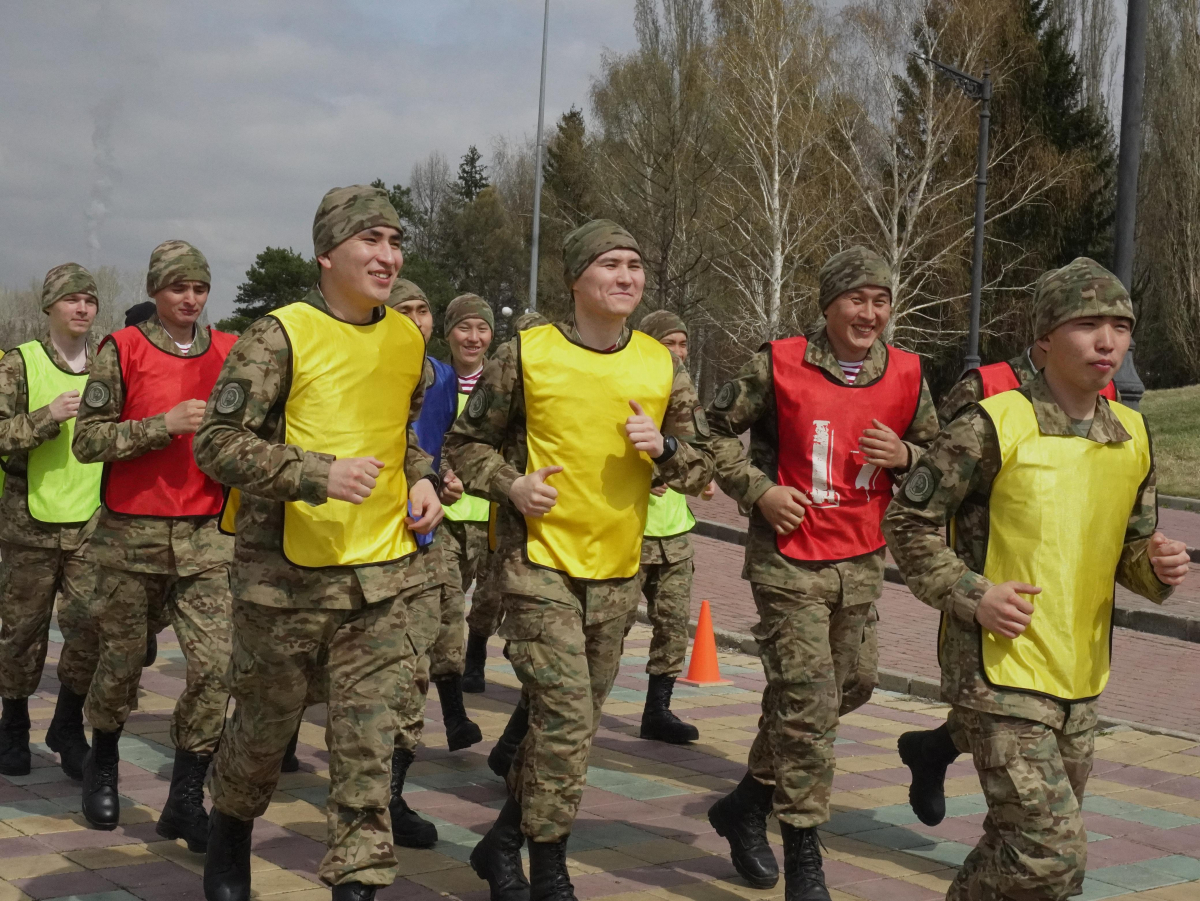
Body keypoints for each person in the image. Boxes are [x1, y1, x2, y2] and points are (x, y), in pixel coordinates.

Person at [883, 257, 1190, 901]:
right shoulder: (992, 425)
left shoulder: (1129, 433)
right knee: (1051, 856)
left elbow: (1128, 548)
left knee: (1021, 852)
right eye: (1086, 325)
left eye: (1120, 326)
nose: (1107, 342)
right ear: (1045, 339)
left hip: (1079, 676)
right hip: (997, 675)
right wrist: (973, 593)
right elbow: (908, 520)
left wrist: (1156, 568)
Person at [445, 220, 715, 901]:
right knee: (564, 718)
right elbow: (464, 442)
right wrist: (512, 484)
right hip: (539, 567)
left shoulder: (661, 363)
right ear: (576, 279)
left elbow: (703, 460)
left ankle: (500, 842)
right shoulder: (525, 356)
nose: (627, 276)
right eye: (610, 265)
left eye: (634, 264)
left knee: (568, 725)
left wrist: (667, 450)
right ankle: (550, 868)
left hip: (618, 571)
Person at [195, 185, 443, 901]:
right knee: (265, 732)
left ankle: (358, 881)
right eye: (371, 240)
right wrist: (315, 472)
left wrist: (423, 478)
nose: (388, 256)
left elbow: (402, 433)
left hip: (383, 577)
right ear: (327, 253)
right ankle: (230, 830)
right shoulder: (278, 335)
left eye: (395, 242)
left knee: (368, 744)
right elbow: (216, 444)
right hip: (284, 584)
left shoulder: (405, 336)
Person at [704, 247, 939, 901]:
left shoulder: (909, 373)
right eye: (856, 299)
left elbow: (943, 461)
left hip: (860, 563)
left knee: (847, 688)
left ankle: (747, 801)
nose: (869, 313)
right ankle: (805, 859)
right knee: (807, 711)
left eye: (880, 300)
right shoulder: (777, 363)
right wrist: (757, 490)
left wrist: (909, 452)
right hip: (788, 561)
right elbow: (711, 431)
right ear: (828, 305)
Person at [73, 242, 236, 849]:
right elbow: (87, 442)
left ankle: (185, 796)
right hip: (129, 536)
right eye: (177, 289)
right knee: (120, 663)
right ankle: (105, 761)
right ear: (156, 290)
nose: (190, 300)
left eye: (199, 289)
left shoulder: (229, 350)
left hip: (207, 537)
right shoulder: (124, 349)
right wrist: (159, 427)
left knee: (217, 667)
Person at [0, 264, 104, 782]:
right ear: (49, 307)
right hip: (29, 524)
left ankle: (66, 727)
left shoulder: (109, 363)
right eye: (71, 300)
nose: (82, 308)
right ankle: (13, 728)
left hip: (91, 524)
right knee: (22, 634)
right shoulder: (20, 365)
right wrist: (46, 417)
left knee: (87, 631)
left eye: (89, 300)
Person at [385, 277, 467, 849]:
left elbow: (437, 447)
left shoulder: (440, 376)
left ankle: (389, 795)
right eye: (404, 309)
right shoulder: (355, 360)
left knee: (412, 670)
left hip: (420, 539)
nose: (417, 318)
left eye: (423, 309)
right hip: (345, 541)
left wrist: (445, 481)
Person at [624, 309, 714, 744]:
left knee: (673, 626)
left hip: (675, 536)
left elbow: (700, 454)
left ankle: (657, 711)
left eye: (683, 344)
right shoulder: (629, 392)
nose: (677, 353)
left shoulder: (685, 403)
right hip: (628, 533)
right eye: (668, 344)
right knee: (610, 627)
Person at [462, 309, 549, 697]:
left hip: (552, 508)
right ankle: (474, 658)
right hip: (504, 502)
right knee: (491, 593)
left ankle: (529, 679)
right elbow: (474, 441)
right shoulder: (504, 379)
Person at [428, 293, 494, 745]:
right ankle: (455, 716)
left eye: (482, 329)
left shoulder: (505, 382)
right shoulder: (433, 379)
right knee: (448, 611)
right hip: (444, 520)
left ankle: (479, 660)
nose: (473, 338)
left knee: (492, 606)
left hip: (493, 521)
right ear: (448, 333)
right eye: (464, 328)